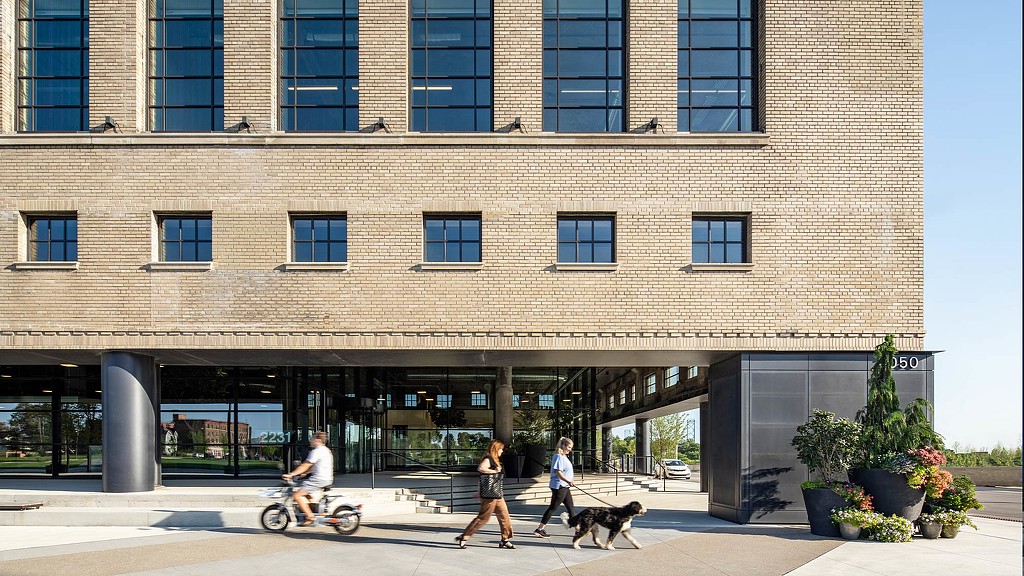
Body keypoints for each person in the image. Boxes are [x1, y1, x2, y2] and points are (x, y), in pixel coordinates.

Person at [455, 439, 515, 549]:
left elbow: (484, 479)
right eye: (501, 449)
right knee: (483, 518)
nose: (502, 451)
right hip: (489, 496)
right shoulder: (489, 459)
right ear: (496, 449)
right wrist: (495, 471)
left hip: (497, 494)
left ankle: (505, 539)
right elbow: (481, 469)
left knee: (504, 517)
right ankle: (464, 537)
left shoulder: (495, 460)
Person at [283, 431, 333, 526]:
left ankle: (310, 517)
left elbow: (305, 465)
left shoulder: (316, 451)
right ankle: (313, 509)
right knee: (304, 493)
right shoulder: (326, 450)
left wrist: (291, 474)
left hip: (318, 479)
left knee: (296, 496)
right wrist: (304, 473)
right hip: (325, 478)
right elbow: (315, 467)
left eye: (312, 438)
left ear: (318, 440)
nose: (311, 441)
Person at [533, 436, 576, 538]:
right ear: (563, 445)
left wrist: (568, 482)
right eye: (569, 447)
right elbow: (558, 472)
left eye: (571, 447)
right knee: (553, 508)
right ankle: (540, 529)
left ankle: (578, 529)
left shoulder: (564, 456)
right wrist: (568, 481)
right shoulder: (558, 456)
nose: (570, 449)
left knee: (571, 508)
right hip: (559, 486)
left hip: (564, 486)